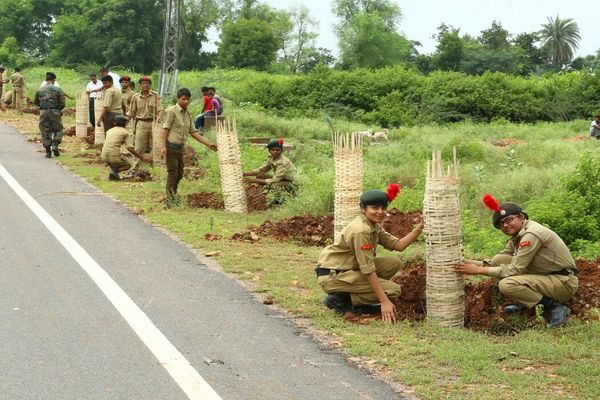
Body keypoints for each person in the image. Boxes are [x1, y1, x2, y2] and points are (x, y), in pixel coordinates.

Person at [453, 194, 578, 328]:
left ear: (521, 217)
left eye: (509, 220)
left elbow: (515, 269)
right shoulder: (518, 235)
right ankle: (527, 301)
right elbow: (499, 261)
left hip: (563, 282)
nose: (505, 225)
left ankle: (555, 307)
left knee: (507, 285)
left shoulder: (531, 235)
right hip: (547, 276)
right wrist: (471, 263)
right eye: (500, 224)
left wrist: (478, 270)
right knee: (499, 259)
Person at [316, 184, 424, 324]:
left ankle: (351, 294)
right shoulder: (362, 230)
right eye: (374, 208)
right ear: (363, 209)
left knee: (393, 263)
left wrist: (421, 227)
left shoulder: (372, 224)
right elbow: (368, 269)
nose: (380, 212)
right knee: (393, 291)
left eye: (383, 208)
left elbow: (398, 245)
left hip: (348, 269)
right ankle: (341, 300)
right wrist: (384, 301)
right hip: (333, 275)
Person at [161, 87, 217, 206]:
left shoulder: (188, 114)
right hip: (171, 146)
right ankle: (170, 199)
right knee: (172, 173)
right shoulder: (172, 111)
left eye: (187, 99)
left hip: (180, 147)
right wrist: (163, 147)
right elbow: (165, 129)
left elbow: (194, 132)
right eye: (183, 99)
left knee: (180, 173)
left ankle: (173, 195)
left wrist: (208, 144)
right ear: (178, 99)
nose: (186, 101)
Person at [243, 138, 298, 204]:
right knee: (260, 176)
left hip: (290, 182)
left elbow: (275, 180)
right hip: (281, 179)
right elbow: (261, 170)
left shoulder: (283, 162)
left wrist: (253, 180)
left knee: (275, 185)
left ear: (281, 151)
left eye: (277, 150)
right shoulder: (271, 158)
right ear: (269, 151)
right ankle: (263, 193)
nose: (275, 151)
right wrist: (244, 174)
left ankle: (279, 201)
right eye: (273, 150)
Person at [127, 76, 163, 173]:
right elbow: (131, 112)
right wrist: (124, 123)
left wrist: (159, 117)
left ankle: (157, 170)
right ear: (140, 85)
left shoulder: (155, 96)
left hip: (154, 124)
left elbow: (160, 109)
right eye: (143, 83)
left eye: (147, 83)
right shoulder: (136, 97)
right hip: (141, 124)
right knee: (139, 148)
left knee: (155, 147)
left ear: (150, 85)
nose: (145, 85)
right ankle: (134, 170)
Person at [101, 115, 151, 180]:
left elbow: (110, 145)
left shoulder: (109, 131)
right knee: (128, 165)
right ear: (125, 124)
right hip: (114, 156)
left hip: (103, 156)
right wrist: (142, 157)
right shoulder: (126, 133)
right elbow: (130, 148)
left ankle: (114, 175)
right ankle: (114, 172)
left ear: (114, 123)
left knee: (115, 162)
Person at [34, 72, 65, 158]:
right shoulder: (58, 89)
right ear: (54, 80)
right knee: (58, 129)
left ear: (46, 80)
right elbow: (62, 103)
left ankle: (48, 152)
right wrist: (58, 109)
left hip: (43, 112)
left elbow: (35, 102)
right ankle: (55, 144)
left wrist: (43, 107)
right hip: (55, 111)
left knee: (45, 130)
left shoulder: (40, 90)